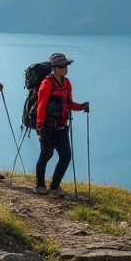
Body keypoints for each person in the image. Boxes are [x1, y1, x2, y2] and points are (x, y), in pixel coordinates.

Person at [34, 52, 88, 194]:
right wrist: (39, 127)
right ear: (56, 68)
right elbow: (41, 106)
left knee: (65, 157)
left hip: (62, 127)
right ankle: (40, 186)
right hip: (47, 126)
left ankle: (54, 186)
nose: (66, 69)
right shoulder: (46, 83)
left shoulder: (67, 83)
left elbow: (69, 103)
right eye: (64, 66)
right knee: (46, 154)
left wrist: (82, 107)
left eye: (66, 66)